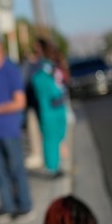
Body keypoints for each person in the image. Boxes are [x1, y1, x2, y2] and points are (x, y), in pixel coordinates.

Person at [0, 38, 33, 219]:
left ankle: (24, 205)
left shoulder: (10, 71)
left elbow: (19, 102)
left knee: (16, 168)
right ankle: (7, 205)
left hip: (9, 130)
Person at [29, 39, 68, 175]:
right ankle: (53, 168)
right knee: (50, 138)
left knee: (58, 135)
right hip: (48, 108)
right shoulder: (37, 68)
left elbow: (62, 81)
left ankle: (56, 165)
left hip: (57, 107)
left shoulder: (51, 65)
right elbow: (40, 87)